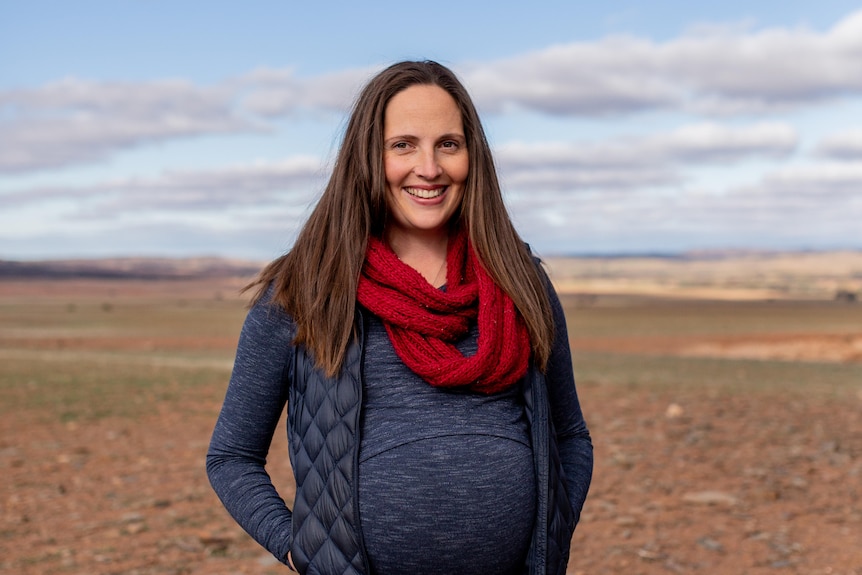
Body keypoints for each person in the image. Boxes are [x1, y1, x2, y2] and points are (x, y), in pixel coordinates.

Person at [206, 60, 593, 575]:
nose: (428, 168)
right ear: (368, 157)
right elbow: (231, 457)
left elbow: (570, 436)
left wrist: (552, 526)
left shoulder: (518, 281)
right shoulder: (305, 290)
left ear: (472, 156)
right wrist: (302, 550)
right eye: (403, 145)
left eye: (448, 145)